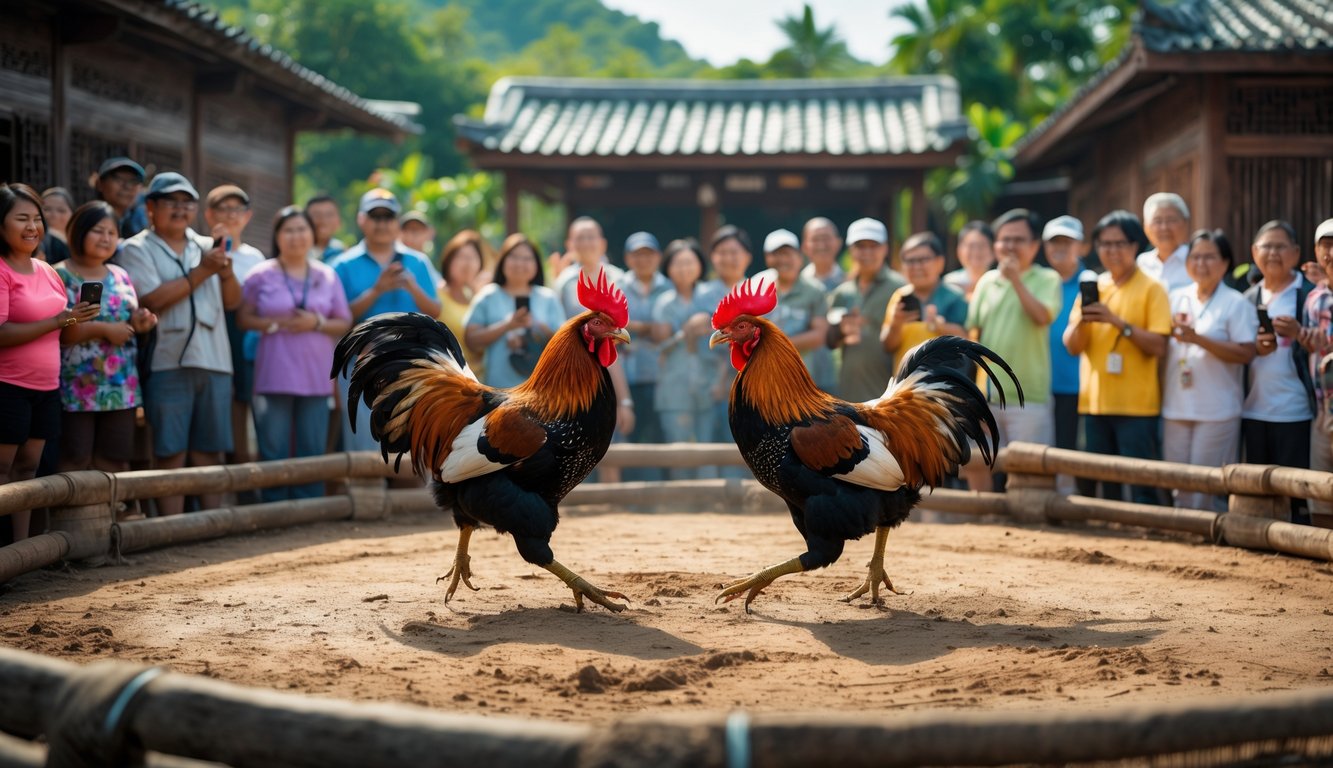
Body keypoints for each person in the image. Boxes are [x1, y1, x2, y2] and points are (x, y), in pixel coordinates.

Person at [117, 172, 240, 517]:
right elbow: (151, 300)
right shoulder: (135, 248)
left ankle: (210, 525)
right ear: (151, 207)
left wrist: (225, 271)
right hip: (166, 361)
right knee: (170, 449)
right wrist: (203, 272)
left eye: (187, 202)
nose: (180, 208)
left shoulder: (208, 245)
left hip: (215, 359)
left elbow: (233, 302)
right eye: (171, 201)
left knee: (210, 450)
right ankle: (172, 525)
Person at [0, 184, 99, 542]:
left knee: (29, 470)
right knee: (2, 470)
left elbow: (65, 336)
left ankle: (22, 551)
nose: (32, 226)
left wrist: (78, 319)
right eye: (21, 218)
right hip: (7, 386)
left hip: (46, 387)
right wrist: (61, 321)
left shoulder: (48, 271)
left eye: (36, 218)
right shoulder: (1, 270)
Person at [238, 207, 352, 501]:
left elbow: (345, 320)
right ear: (277, 236)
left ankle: (309, 506)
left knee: (311, 447)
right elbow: (243, 318)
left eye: (302, 229)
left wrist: (316, 322)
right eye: (288, 230)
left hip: (315, 375)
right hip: (273, 372)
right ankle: (274, 507)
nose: (296, 236)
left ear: (312, 234)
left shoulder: (327, 275)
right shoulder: (260, 274)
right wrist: (274, 324)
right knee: (272, 447)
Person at [1063, 210, 1171, 505]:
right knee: (1098, 480)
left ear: (1136, 245)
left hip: (1137, 406)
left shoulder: (1153, 289)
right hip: (1094, 404)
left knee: (1140, 483)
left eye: (1119, 243)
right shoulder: (1095, 287)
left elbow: (1159, 346)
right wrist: (1084, 321)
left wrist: (1116, 322)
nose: (1111, 251)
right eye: (1104, 244)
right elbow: (1072, 346)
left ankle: (1147, 537)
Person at [329, 188, 441, 453]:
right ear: (361, 220)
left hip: (412, 362)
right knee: (364, 446)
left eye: (387, 217)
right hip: (362, 366)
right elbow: (338, 318)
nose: (381, 223)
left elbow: (435, 310)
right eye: (375, 216)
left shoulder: (417, 261)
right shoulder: (342, 265)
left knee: (411, 447)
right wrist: (377, 290)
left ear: (396, 222)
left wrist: (412, 287)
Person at [54, 202, 158, 483]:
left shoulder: (120, 274)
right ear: (78, 232)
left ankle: (111, 522)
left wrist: (139, 324)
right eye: (98, 231)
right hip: (76, 385)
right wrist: (102, 329)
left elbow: (127, 320)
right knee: (75, 458)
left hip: (121, 384)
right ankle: (73, 525)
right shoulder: (58, 275)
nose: (106, 238)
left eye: (112, 232)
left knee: (115, 458)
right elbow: (58, 332)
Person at [962, 209, 1061, 492]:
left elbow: (1042, 317)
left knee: (1029, 472)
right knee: (979, 463)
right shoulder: (986, 282)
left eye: (1018, 239)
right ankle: (983, 524)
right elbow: (974, 333)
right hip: (988, 395)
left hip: (1027, 395)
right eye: (1004, 240)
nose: (1010, 246)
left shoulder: (1047, 279)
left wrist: (1016, 280)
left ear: (1035, 246)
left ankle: (1026, 531)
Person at [1161, 230, 1256, 511]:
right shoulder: (1175, 297)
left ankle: (1205, 547)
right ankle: (1182, 542)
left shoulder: (1235, 302)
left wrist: (1199, 339)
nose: (1201, 263)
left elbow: (1246, 353)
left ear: (1225, 263)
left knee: (1206, 486)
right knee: (1177, 481)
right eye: (1196, 256)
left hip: (1216, 408)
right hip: (1176, 404)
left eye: (1210, 257)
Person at [1243, 220, 1316, 523]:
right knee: (1258, 489)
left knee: (1296, 489)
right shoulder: (1246, 298)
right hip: (1253, 408)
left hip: (1296, 409)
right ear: (1254, 252)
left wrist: (1300, 333)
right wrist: (1254, 348)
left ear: (1296, 253)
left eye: (1280, 246)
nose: (1273, 253)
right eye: (1266, 246)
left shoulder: (1310, 295)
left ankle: (1298, 545)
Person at [204, 184, 265, 474]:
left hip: (245, 336)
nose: (230, 216)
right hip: (211, 330)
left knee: (243, 397)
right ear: (209, 214)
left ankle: (243, 465)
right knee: (219, 399)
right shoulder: (202, 250)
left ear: (247, 216)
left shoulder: (256, 258)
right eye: (223, 209)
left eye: (236, 210)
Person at [650, 239, 717, 479]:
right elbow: (661, 345)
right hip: (673, 386)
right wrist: (687, 331)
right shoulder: (662, 302)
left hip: (709, 386)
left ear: (700, 265)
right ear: (668, 267)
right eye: (677, 263)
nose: (684, 268)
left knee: (708, 448)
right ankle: (679, 506)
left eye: (689, 262)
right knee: (678, 448)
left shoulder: (711, 296)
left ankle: (711, 504)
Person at [463, 234, 564, 389]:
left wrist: (536, 328)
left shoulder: (548, 298)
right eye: (514, 256)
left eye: (527, 258)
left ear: (536, 264)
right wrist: (507, 326)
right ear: (503, 260)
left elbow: (565, 344)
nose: (520, 263)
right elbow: (470, 340)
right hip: (496, 391)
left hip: (541, 392)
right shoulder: (488, 295)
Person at [1043, 215, 1097, 496]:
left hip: (1081, 385)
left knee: (1078, 454)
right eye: (1054, 242)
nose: (1060, 248)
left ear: (1083, 247)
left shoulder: (1093, 282)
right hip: (1042, 385)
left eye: (1067, 241)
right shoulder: (1039, 281)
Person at [824, 218, 905, 403]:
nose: (866, 252)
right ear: (851, 250)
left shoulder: (900, 288)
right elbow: (830, 341)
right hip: (848, 394)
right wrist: (841, 329)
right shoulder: (842, 292)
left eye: (873, 246)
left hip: (890, 397)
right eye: (860, 246)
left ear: (885, 248)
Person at [616, 232, 670, 465]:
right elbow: (614, 326)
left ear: (658, 257)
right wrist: (649, 328)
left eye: (648, 254)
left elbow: (669, 330)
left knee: (662, 438)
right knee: (629, 437)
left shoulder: (669, 287)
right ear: (628, 258)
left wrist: (632, 327)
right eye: (637, 254)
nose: (643, 259)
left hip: (663, 376)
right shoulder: (617, 288)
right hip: (626, 377)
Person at [880, 231, 968, 364]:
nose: (916, 267)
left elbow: (968, 342)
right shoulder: (900, 296)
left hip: (944, 382)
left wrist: (941, 327)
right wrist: (896, 325)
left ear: (940, 262)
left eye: (922, 260)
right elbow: (888, 346)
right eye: (910, 261)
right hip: (906, 381)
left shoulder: (955, 297)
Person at [758, 229, 830, 386]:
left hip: (800, 381)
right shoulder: (757, 286)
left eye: (788, 253)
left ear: (799, 257)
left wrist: (775, 345)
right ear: (767, 258)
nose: (783, 259)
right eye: (777, 254)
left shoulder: (814, 291)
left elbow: (819, 335)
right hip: (763, 379)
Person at [1300, 218, 1333, 529]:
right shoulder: (1315, 298)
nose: (1332, 252)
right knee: (1320, 487)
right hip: (1323, 403)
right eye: (1327, 244)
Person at [436, 229, 493, 377]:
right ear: (448, 260)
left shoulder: (482, 299)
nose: (467, 263)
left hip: (480, 381)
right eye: (461, 257)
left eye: (473, 258)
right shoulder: (436, 297)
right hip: (446, 381)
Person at [1137, 193, 1192, 293]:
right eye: (1157, 221)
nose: (1164, 227)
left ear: (1185, 223)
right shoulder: (1141, 263)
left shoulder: (1196, 260)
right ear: (1146, 227)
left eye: (1171, 220)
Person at [93, 157, 148, 239]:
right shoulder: (89, 220)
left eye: (134, 181)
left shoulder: (142, 222)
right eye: (118, 179)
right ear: (100, 184)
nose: (127, 186)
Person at [943, 220, 996, 301]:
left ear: (993, 251)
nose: (976, 251)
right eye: (971, 246)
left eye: (981, 245)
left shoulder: (1000, 283)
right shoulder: (949, 284)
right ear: (959, 250)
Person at [800, 217, 845, 291]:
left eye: (826, 238)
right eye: (815, 239)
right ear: (804, 246)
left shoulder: (850, 281)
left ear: (839, 243)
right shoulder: (796, 284)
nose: (821, 245)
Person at [305, 194, 346, 261]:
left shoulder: (343, 253)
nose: (323, 220)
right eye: (317, 215)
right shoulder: (296, 252)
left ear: (339, 220)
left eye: (329, 215)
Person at [40, 187, 74, 264]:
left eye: (61, 210)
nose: (54, 215)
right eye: (47, 209)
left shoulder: (82, 241)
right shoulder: (34, 243)